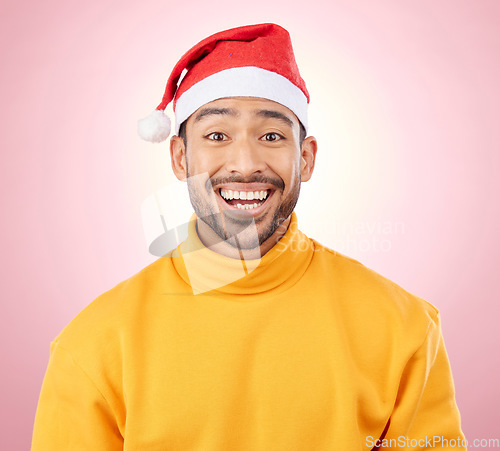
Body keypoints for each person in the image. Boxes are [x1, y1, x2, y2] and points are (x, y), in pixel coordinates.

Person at [32, 23, 466, 450]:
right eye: (217, 135)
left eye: (272, 135)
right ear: (180, 157)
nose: (244, 163)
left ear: (306, 158)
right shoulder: (92, 346)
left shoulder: (403, 327)